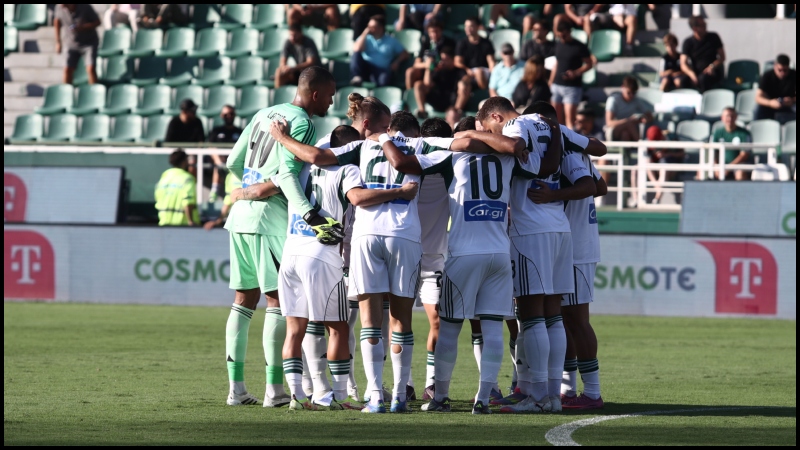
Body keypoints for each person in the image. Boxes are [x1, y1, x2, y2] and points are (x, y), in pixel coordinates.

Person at [269, 108, 495, 414]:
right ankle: (400, 395)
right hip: (405, 235)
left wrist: (281, 137)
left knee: (369, 321)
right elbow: (463, 145)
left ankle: (374, 395)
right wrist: (500, 142)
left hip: (366, 234)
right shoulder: (418, 144)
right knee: (401, 319)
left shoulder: (362, 146)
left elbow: (315, 157)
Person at [381, 119, 524, 415]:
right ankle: (484, 398)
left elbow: (402, 162)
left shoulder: (451, 154)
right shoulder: (508, 158)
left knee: (449, 328)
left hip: (464, 253)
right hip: (499, 252)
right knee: (493, 329)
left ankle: (440, 396)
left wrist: (383, 139)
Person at [278, 124, 419, 411]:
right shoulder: (348, 169)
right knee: (339, 328)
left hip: (291, 249)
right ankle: (338, 397)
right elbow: (356, 198)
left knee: (295, 329)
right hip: (321, 254)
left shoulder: (300, 168)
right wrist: (399, 192)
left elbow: (279, 179)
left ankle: (298, 396)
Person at [222, 66, 339, 408]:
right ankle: (275, 391)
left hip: (240, 218)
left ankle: (236, 389)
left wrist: (246, 189)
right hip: (269, 220)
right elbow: (288, 173)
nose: (332, 100)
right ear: (315, 93)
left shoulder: (262, 113)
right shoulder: (302, 122)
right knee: (277, 303)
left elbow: (233, 160)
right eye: (330, 94)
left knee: (243, 301)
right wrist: (307, 212)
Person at [472, 97, 573, 414]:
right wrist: (556, 131)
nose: (494, 137)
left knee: (530, 316)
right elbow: (589, 147)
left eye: (491, 129)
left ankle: (539, 397)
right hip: (560, 225)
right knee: (553, 316)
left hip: (531, 227)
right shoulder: (546, 122)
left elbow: (536, 167)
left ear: (497, 116)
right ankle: (553, 395)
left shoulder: (516, 126)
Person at [524, 101, 607, 411]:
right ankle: (568, 390)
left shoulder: (569, 150)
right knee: (561, 318)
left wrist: (554, 196)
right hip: (568, 243)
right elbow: (601, 185)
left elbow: (593, 186)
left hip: (577, 246)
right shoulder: (566, 147)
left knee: (575, 319)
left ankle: (593, 393)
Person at [550, 20, 593, 129]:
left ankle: (570, 142)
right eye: (560, 35)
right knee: (556, 118)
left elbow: (589, 64)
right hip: (557, 85)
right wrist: (551, 81)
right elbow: (557, 63)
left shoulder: (579, 46)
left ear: (569, 32)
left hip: (572, 87)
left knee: (570, 118)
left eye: (564, 35)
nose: (562, 37)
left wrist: (576, 72)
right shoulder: (558, 45)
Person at [350, 14, 409, 88]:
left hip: (381, 70)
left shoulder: (391, 40)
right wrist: (365, 33)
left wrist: (397, 62)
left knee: (383, 82)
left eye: (372, 27)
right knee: (356, 55)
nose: (370, 29)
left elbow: (405, 53)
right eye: (368, 26)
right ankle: (357, 77)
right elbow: (357, 49)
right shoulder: (365, 38)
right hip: (366, 67)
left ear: (381, 28)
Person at [54, 4, 101, 85]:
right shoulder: (59, 8)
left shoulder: (85, 7)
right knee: (67, 69)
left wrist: (83, 27)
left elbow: (97, 22)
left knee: (90, 68)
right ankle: (66, 92)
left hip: (88, 42)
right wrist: (58, 41)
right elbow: (57, 21)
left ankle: (93, 92)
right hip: (71, 42)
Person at [404, 19, 456, 91]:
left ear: (441, 31)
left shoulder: (448, 43)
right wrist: (427, 64)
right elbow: (416, 64)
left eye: (436, 31)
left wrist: (438, 65)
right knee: (409, 72)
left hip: (440, 72)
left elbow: (452, 62)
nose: (434, 35)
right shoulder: (426, 43)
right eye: (431, 32)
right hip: (425, 69)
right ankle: (409, 94)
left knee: (421, 83)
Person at [412, 46, 463, 118]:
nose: (442, 62)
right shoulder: (438, 70)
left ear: (452, 59)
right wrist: (428, 68)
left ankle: (456, 112)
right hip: (437, 99)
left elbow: (465, 83)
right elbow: (427, 84)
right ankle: (422, 112)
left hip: (452, 101)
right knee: (418, 84)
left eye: (446, 59)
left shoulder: (459, 71)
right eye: (442, 59)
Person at [679, 16, 725, 93]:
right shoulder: (688, 42)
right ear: (695, 28)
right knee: (683, 81)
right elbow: (683, 63)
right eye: (702, 25)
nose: (705, 27)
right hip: (696, 72)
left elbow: (722, 57)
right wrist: (691, 74)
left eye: (705, 24)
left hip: (712, 72)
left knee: (703, 79)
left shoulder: (714, 37)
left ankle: (705, 101)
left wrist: (712, 66)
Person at [154, 149, 199, 226]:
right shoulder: (187, 179)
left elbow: (157, 198)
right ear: (184, 161)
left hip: (164, 223)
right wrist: (190, 221)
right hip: (183, 225)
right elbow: (188, 201)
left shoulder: (164, 178)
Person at [604, 76, 653, 142]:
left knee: (625, 134)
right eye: (629, 93)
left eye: (634, 93)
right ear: (622, 88)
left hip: (627, 132)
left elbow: (650, 116)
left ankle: (626, 151)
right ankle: (640, 145)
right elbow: (609, 123)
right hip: (612, 131)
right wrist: (627, 121)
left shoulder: (636, 100)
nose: (631, 96)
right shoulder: (613, 100)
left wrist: (643, 119)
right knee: (629, 124)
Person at [710, 107, 753, 181]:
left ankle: (739, 192)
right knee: (701, 171)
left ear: (736, 117)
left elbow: (744, 154)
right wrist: (717, 168)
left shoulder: (744, 133)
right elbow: (713, 153)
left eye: (732, 116)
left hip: (738, 165)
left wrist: (729, 168)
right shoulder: (717, 133)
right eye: (727, 116)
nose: (730, 119)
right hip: (721, 165)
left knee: (740, 173)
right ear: (722, 118)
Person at [455, 17, 496, 93]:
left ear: (478, 27)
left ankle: (484, 93)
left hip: (484, 71)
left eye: (471, 26)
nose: (467, 29)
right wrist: (467, 70)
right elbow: (457, 62)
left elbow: (491, 61)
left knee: (479, 72)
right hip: (469, 72)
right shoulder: (462, 43)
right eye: (466, 26)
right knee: (462, 84)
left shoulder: (486, 43)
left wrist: (493, 72)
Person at [754, 54, 797, 123]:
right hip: (771, 105)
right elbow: (758, 98)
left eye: (785, 70)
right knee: (758, 109)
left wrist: (792, 100)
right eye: (779, 70)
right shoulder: (767, 76)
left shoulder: (794, 75)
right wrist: (770, 103)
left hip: (790, 106)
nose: (782, 73)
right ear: (775, 66)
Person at [488, 4, 553, 38]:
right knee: (497, 5)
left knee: (527, 19)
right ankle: (491, 28)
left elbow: (546, 12)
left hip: (531, 14)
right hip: (514, 13)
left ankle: (524, 44)